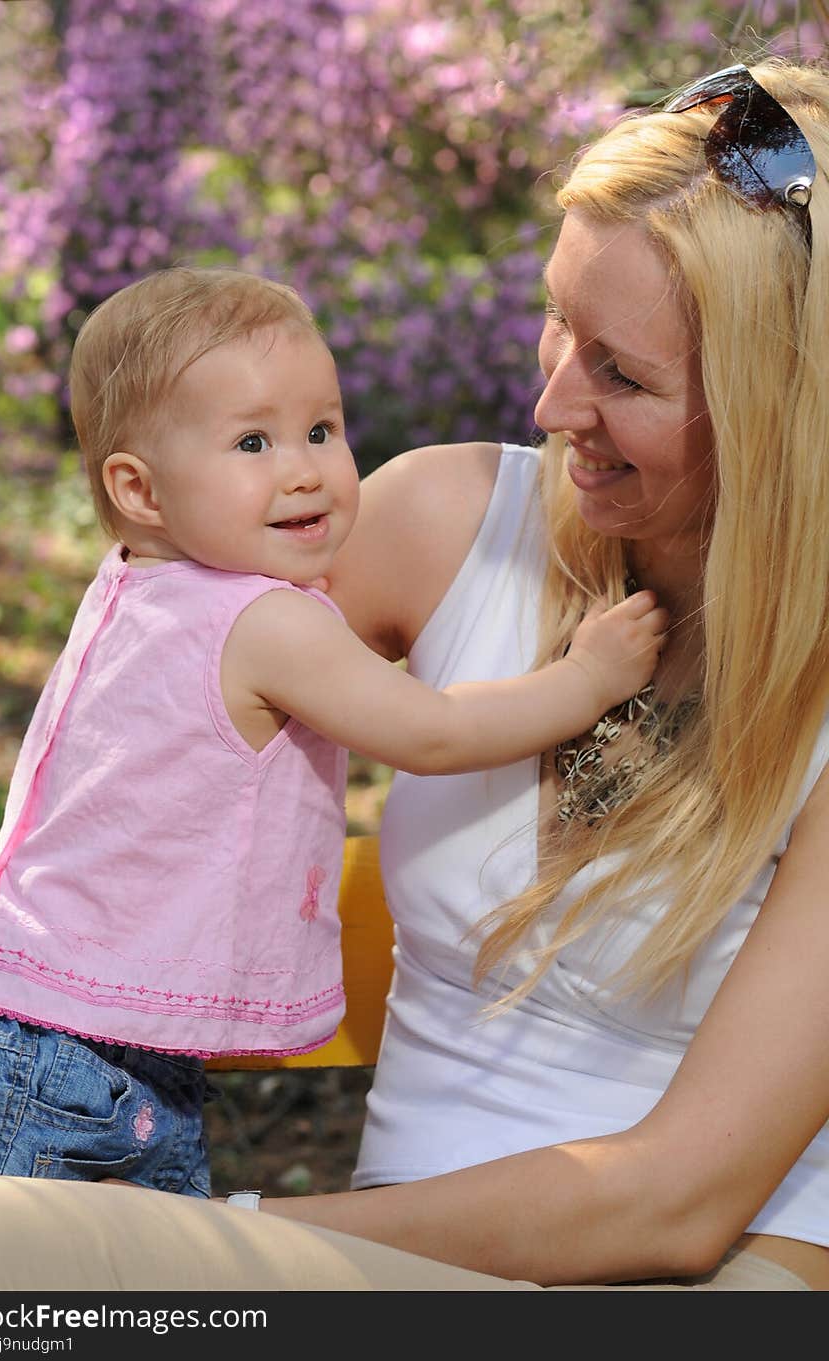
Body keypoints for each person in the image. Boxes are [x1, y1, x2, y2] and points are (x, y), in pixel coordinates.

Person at [216, 55, 829, 1291]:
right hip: (381, 1252)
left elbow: (672, 1201)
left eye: (623, 374)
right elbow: (149, 717)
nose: (551, 403)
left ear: (780, 411)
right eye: (559, 317)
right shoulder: (448, 522)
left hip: (715, 1269)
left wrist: (221, 1247)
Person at [0, 267, 664, 1200]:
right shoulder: (268, 624)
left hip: (40, 1029)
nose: (306, 467)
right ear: (141, 489)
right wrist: (587, 677)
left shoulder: (139, 587)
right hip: (74, 1065)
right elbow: (433, 731)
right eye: (253, 441)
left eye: (322, 429)